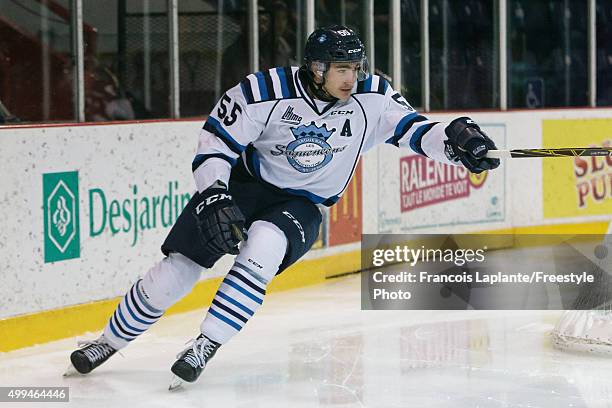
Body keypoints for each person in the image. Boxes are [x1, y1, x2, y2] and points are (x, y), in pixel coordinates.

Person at [67, 24, 500, 388]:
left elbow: (417, 133)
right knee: (177, 270)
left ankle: (205, 344)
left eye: (356, 68)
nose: (351, 79)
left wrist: (459, 141)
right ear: (316, 68)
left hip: (303, 203)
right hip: (246, 186)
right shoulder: (262, 90)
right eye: (342, 69)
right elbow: (215, 144)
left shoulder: (373, 97)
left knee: (265, 245)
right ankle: (109, 340)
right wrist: (214, 193)